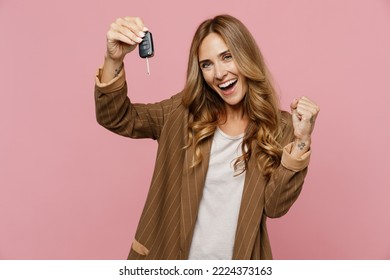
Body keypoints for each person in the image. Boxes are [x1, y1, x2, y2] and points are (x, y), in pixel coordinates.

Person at [94, 14, 319, 260]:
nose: (219, 73)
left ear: (246, 57)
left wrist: (301, 141)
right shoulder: (181, 114)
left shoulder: (280, 126)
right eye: (207, 64)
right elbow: (115, 117)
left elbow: (275, 207)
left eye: (227, 57)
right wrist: (113, 58)